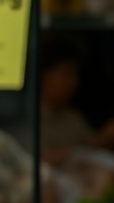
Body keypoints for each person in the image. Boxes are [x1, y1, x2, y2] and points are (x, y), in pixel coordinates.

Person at [40, 35, 114, 166]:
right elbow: (41, 159)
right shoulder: (26, 122)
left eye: (75, 74)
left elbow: (95, 155)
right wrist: (100, 140)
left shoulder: (72, 118)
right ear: (44, 74)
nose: (73, 82)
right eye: (66, 73)